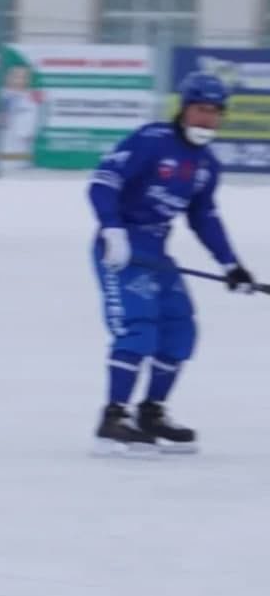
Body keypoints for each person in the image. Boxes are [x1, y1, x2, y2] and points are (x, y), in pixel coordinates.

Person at [88, 71, 255, 454]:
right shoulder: (151, 141)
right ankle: (113, 418)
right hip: (122, 250)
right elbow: (103, 182)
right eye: (200, 109)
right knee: (139, 329)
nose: (207, 119)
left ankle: (152, 412)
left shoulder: (206, 165)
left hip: (158, 256)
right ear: (183, 109)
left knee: (180, 331)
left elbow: (204, 217)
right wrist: (112, 230)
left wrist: (232, 265)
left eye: (215, 112)